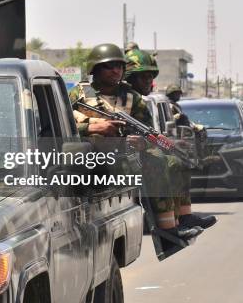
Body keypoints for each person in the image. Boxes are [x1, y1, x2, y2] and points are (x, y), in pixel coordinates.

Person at [69, 43, 202, 241]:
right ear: (95, 69)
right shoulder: (78, 94)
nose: (116, 70)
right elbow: (61, 127)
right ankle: (170, 230)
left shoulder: (132, 97)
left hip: (122, 157)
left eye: (120, 66)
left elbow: (148, 133)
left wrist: (141, 143)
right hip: (89, 159)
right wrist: (92, 128)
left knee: (171, 161)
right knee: (158, 161)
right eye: (110, 66)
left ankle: (173, 227)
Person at [125, 49, 216, 230]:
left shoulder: (137, 101)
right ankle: (169, 227)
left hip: (136, 151)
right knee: (166, 163)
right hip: (119, 155)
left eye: (151, 76)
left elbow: (149, 135)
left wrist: (171, 144)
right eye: (144, 77)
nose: (149, 81)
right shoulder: (119, 98)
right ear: (130, 77)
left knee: (179, 160)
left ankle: (183, 218)